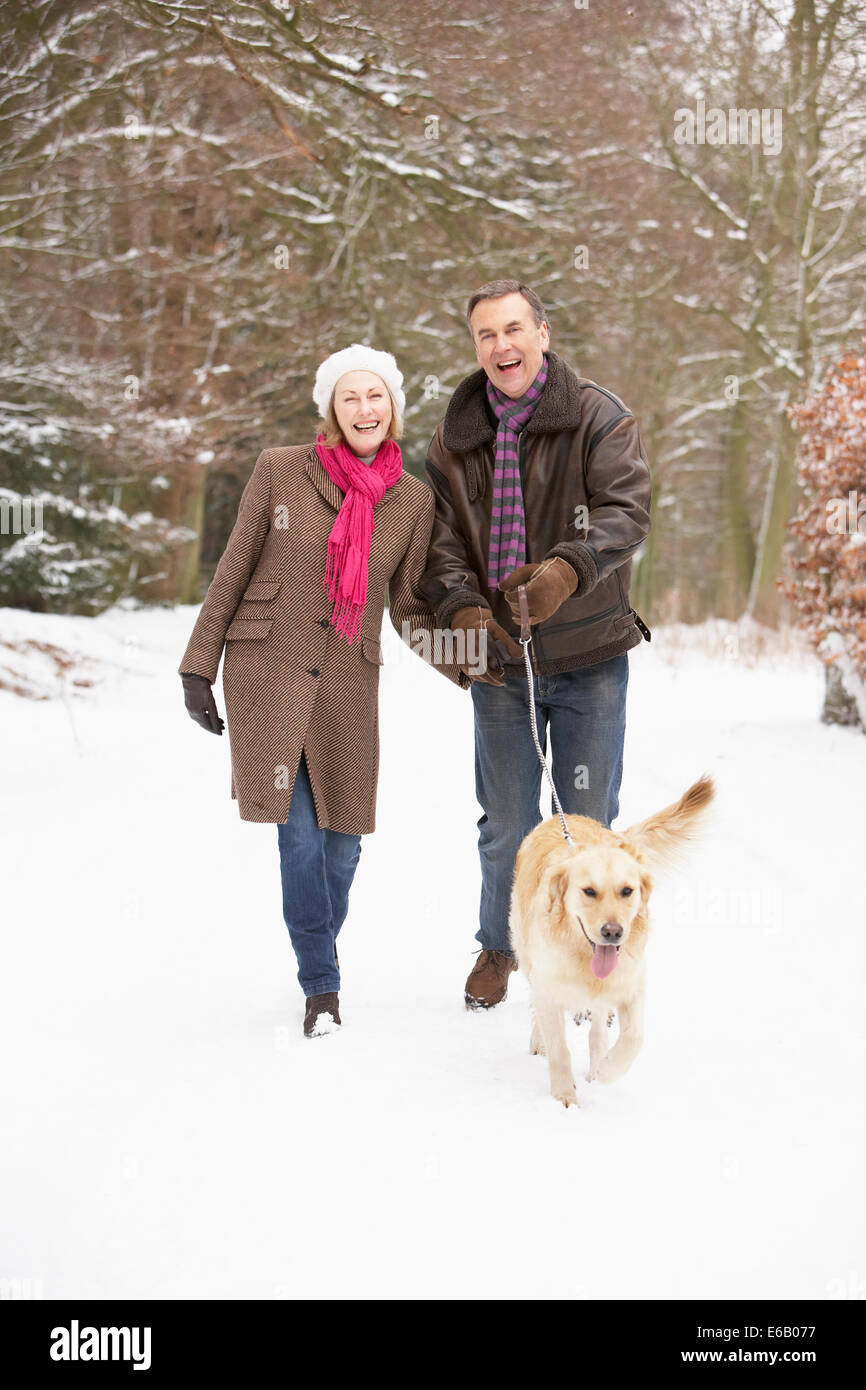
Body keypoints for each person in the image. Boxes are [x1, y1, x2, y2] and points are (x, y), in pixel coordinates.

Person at [178, 345, 467, 1037]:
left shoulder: (415, 500)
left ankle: (315, 944)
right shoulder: (280, 471)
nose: (364, 408)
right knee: (300, 838)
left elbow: (406, 606)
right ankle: (322, 988)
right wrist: (196, 666)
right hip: (266, 668)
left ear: (392, 407)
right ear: (332, 411)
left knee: (343, 845)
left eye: (375, 396)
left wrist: (467, 664)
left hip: (347, 680)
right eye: (350, 397)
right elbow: (234, 565)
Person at [419, 279, 653, 1010]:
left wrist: (565, 570)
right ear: (476, 347)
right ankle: (499, 947)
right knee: (510, 822)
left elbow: (626, 512)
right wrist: (458, 607)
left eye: (514, 329)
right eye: (487, 334)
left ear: (542, 334)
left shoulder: (597, 416)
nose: (502, 346)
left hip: (590, 655)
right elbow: (440, 541)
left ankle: (590, 958)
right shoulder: (455, 439)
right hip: (499, 660)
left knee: (588, 823)